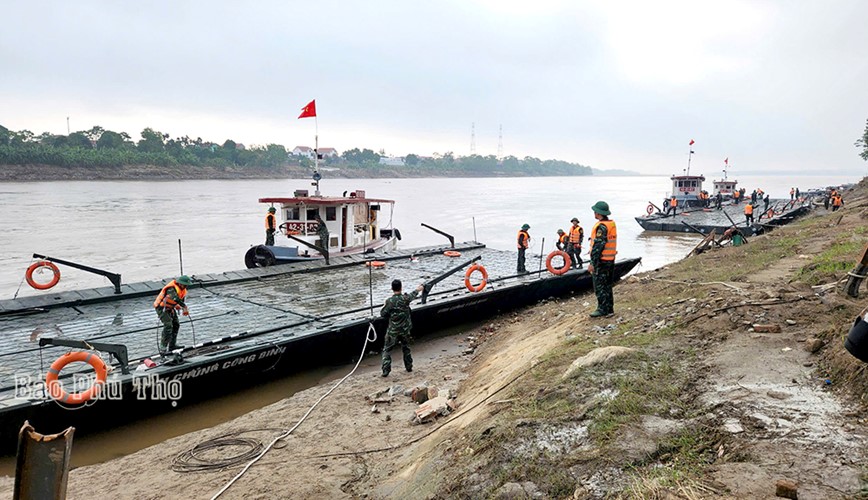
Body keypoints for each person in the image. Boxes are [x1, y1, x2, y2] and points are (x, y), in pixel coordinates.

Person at [380, 279, 424, 377]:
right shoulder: (405, 298)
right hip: (405, 330)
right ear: (401, 287)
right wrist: (419, 289)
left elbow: (383, 314)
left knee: (387, 350)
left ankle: (386, 371)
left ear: (392, 288)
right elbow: (413, 294)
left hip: (393, 331)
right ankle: (409, 367)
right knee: (406, 348)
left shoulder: (389, 301)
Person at [588, 201, 617, 318]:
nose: (594, 213)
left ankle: (602, 309)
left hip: (601, 261)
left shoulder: (602, 227)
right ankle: (609, 308)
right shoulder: (611, 224)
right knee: (607, 285)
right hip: (610, 259)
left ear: (599, 213)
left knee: (600, 286)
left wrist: (592, 263)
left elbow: (598, 246)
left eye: (595, 211)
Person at [154, 275, 192, 353]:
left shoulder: (183, 290)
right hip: (162, 308)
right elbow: (174, 298)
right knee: (168, 325)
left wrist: (177, 306)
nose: (185, 286)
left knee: (176, 324)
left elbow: (179, 300)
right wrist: (184, 307)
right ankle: (163, 347)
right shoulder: (171, 288)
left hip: (170, 308)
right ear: (180, 283)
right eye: (185, 285)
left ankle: (172, 345)